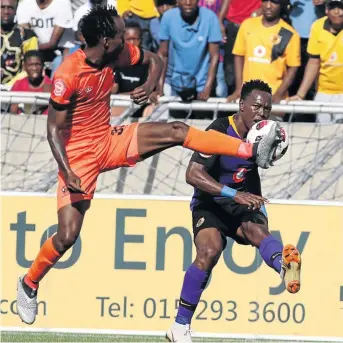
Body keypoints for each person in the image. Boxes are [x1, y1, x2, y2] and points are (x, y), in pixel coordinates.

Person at [16, 6, 281, 326]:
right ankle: (29, 283)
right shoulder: (66, 75)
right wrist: (69, 171)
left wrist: (152, 85)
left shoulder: (115, 53)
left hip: (109, 139)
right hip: (77, 159)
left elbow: (155, 60)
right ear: (104, 40)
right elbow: (53, 130)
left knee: (177, 131)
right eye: (119, 33)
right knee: (67, 236)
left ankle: (249, 148)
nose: (126, 38)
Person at [166, 80, 302, 342]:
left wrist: (277, 149)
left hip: (246, 199)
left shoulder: (265, 133)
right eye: (257, 107)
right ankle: (179, 326)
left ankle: (284, 267)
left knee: (258, 231)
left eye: (267, 109)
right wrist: (233, 194)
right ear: (241, 105)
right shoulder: (217, 131)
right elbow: (192, 174)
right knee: (210, 249)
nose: (262, 113)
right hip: (212, 202)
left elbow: (269, 155)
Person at [227, 0, 301, 105]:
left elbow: (293, 67)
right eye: (265, 1)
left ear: (281, 5)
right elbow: (239, 56)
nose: (268, 6)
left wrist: (279, 94)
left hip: (272, 99)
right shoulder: (247, 25)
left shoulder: (289, 33)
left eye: (274, 2)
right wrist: (239, 89)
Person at [288, 0, 343, 123]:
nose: (337, 11)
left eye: (341, 7)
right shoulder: (317, 26)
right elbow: (314, 62)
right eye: (333, 7)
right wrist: (300, 95)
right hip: (324, 93)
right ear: (326, 10)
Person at [158, 0, 221, 101]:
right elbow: (162, 54)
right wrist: (159, 85)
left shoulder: (210, 18)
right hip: (177, 82)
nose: (188, 2)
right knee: (175, 115)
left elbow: (214, 56)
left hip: (202, 84)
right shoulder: (168, 17)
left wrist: (207, 87)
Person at [16, 0, 75, 76]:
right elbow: (26, 38)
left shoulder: (63, 3)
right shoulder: (24, 4)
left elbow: (52, 43)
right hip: (36, 52)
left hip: (61, 51)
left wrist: (31, 47)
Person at [1, 0, 38, 85]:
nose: (6, 12)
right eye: (2, 7)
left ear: (16, 10)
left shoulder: (27, 36)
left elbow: (31, 68)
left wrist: (10, 86)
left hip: (17, 91)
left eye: (10, 8)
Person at [10, 50, 52, 115]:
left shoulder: (49, 85)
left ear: (43, 65)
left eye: (37, 64)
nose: (34, 68)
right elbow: (13, 112)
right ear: (24, 66)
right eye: (30, 65)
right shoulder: (19, 84)